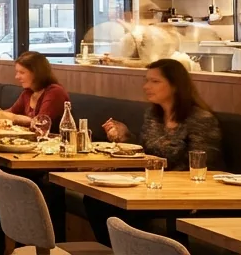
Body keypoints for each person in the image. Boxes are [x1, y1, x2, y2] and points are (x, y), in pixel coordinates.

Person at [85, 59, 224, 246]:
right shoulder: (153, 116)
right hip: (152, 188)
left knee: (123, 210)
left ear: (175, 85)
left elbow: (202, 166)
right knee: (95, 200)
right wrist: (126, 137)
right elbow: (147, 152)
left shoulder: (200, 119)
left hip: (183, 196)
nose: (146, 86)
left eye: (155, 81)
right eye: (146, 80)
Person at [0, 51, 70, 129]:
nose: (17, 77)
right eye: (17, 72)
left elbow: (39, 123)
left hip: (52, 140)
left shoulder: (55, 92)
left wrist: (7, 116)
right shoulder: (28, 92)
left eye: (22, 72)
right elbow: (11, 112)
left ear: (37, 73)